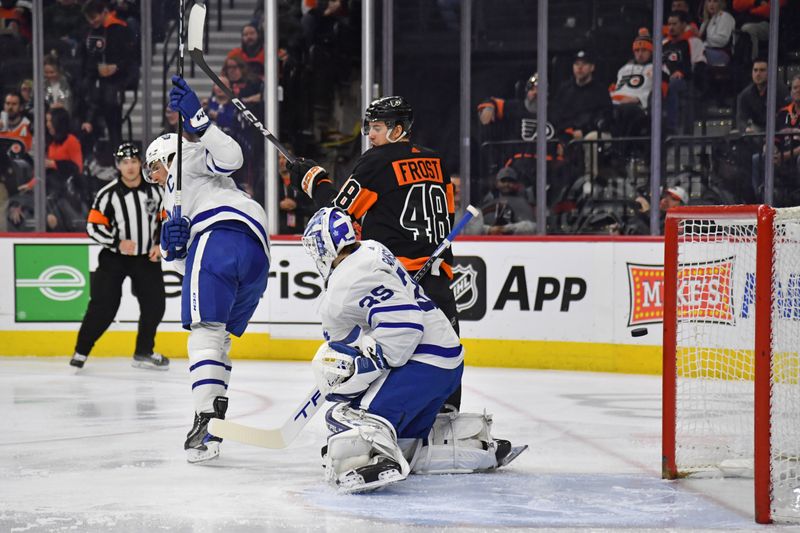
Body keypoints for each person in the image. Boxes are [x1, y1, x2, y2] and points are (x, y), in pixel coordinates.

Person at [302, 207, 526, 492]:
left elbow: (406, 328)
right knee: (405, 441)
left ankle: (375, 459)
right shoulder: (372, 249)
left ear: (326, 246)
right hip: (446, 361)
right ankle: (472, 445)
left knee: (345, 415)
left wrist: (358, 371)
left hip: (424, 363)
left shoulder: (344, 285)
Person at [288, 96, 463, 409]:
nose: (370, 134)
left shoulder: (378, 161)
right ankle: (446, 425)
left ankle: (380, 419)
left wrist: (313, 181)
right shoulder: (437, 162)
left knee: (396, 356)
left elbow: (337, 215)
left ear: (398, 129)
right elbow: (446, 214)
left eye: (377, 128)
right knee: (442, 354)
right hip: (439, 280)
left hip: (400, 280)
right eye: (369, 127)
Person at [145, 75, 270, 463]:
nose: (153, 177)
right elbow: (188, 266)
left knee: (204, 333)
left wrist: (198, 121)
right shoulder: (175, 200)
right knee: (218, 338)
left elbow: (232, 157)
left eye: (154, 168)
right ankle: (212, 424)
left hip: (219, 238)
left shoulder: (186, 158)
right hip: (254, 254)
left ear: (167, 155)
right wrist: (171, 248)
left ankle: (205, 419)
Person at [69, 142, 168, 371]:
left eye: (134, 162)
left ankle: (143, 351)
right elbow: (93, 227)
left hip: (146, 258)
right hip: (115, 258)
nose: (130, 167)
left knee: (155, 305)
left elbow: (168, 219)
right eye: (125, 162)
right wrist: (117, 242)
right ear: (118, 165)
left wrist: (160, 244)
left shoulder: (157, 190)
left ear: (140, 164)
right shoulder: (108, 194)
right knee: (103, 306)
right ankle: (81, 350)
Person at [80, 0, 137, 152]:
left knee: (111, 114)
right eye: (89, 19)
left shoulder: (120, 28)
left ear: (104, 12)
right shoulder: (89, 31)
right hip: (95, 80)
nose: (92, 22)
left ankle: (117, 156)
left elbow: (130, 57)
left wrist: (116, 67)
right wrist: (96, 70)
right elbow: (86, 58)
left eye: (94, 17)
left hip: (117, 80)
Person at [662, 10, 707, 133]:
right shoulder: (663, 44)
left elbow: (699, 64)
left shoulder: (694, 42)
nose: (671, 27)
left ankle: (672, 128)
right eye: (669, 24)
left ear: (683, 25)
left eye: (674, 24)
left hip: (687, 80)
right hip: (665, 78)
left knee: (673, 85)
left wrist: (682, 73)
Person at [610, 28, 655, 137]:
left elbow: (654, 91)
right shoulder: (624, 68)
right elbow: (617, 89)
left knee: (627, 110)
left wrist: (637, 99)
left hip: (638, 106)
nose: (640, 54)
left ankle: (621, 148)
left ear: (651, 52)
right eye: (637, 50)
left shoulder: (656, 68)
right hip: (617, 102)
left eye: (644, 50)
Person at [479, 167, 536, 235]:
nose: (507, 184)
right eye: (503, 181)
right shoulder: (487, 200)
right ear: (496, 183)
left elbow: (533, 227)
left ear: (517, 184)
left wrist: (508, 229)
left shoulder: (523, 202)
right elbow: (475, 222)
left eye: (511, 181)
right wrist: (489, 229)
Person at [736, 58, 788, 133]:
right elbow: (741, 119)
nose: (758, 74)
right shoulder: (745, 95)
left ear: (769, 72)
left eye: (762, 70)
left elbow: (786, 116)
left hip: (777, 129)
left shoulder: (781, 91)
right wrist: (746, 129)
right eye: (755, 70)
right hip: (756, 131)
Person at [699, 0, 735, 66]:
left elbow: (722, 41)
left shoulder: (725, 16)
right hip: (707, 50)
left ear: (721, 3)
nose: (711, 4)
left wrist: (705, 38)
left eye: (715, 1)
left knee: (696, 54)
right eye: (709, 1)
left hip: (721, 52)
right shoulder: (706, 21)